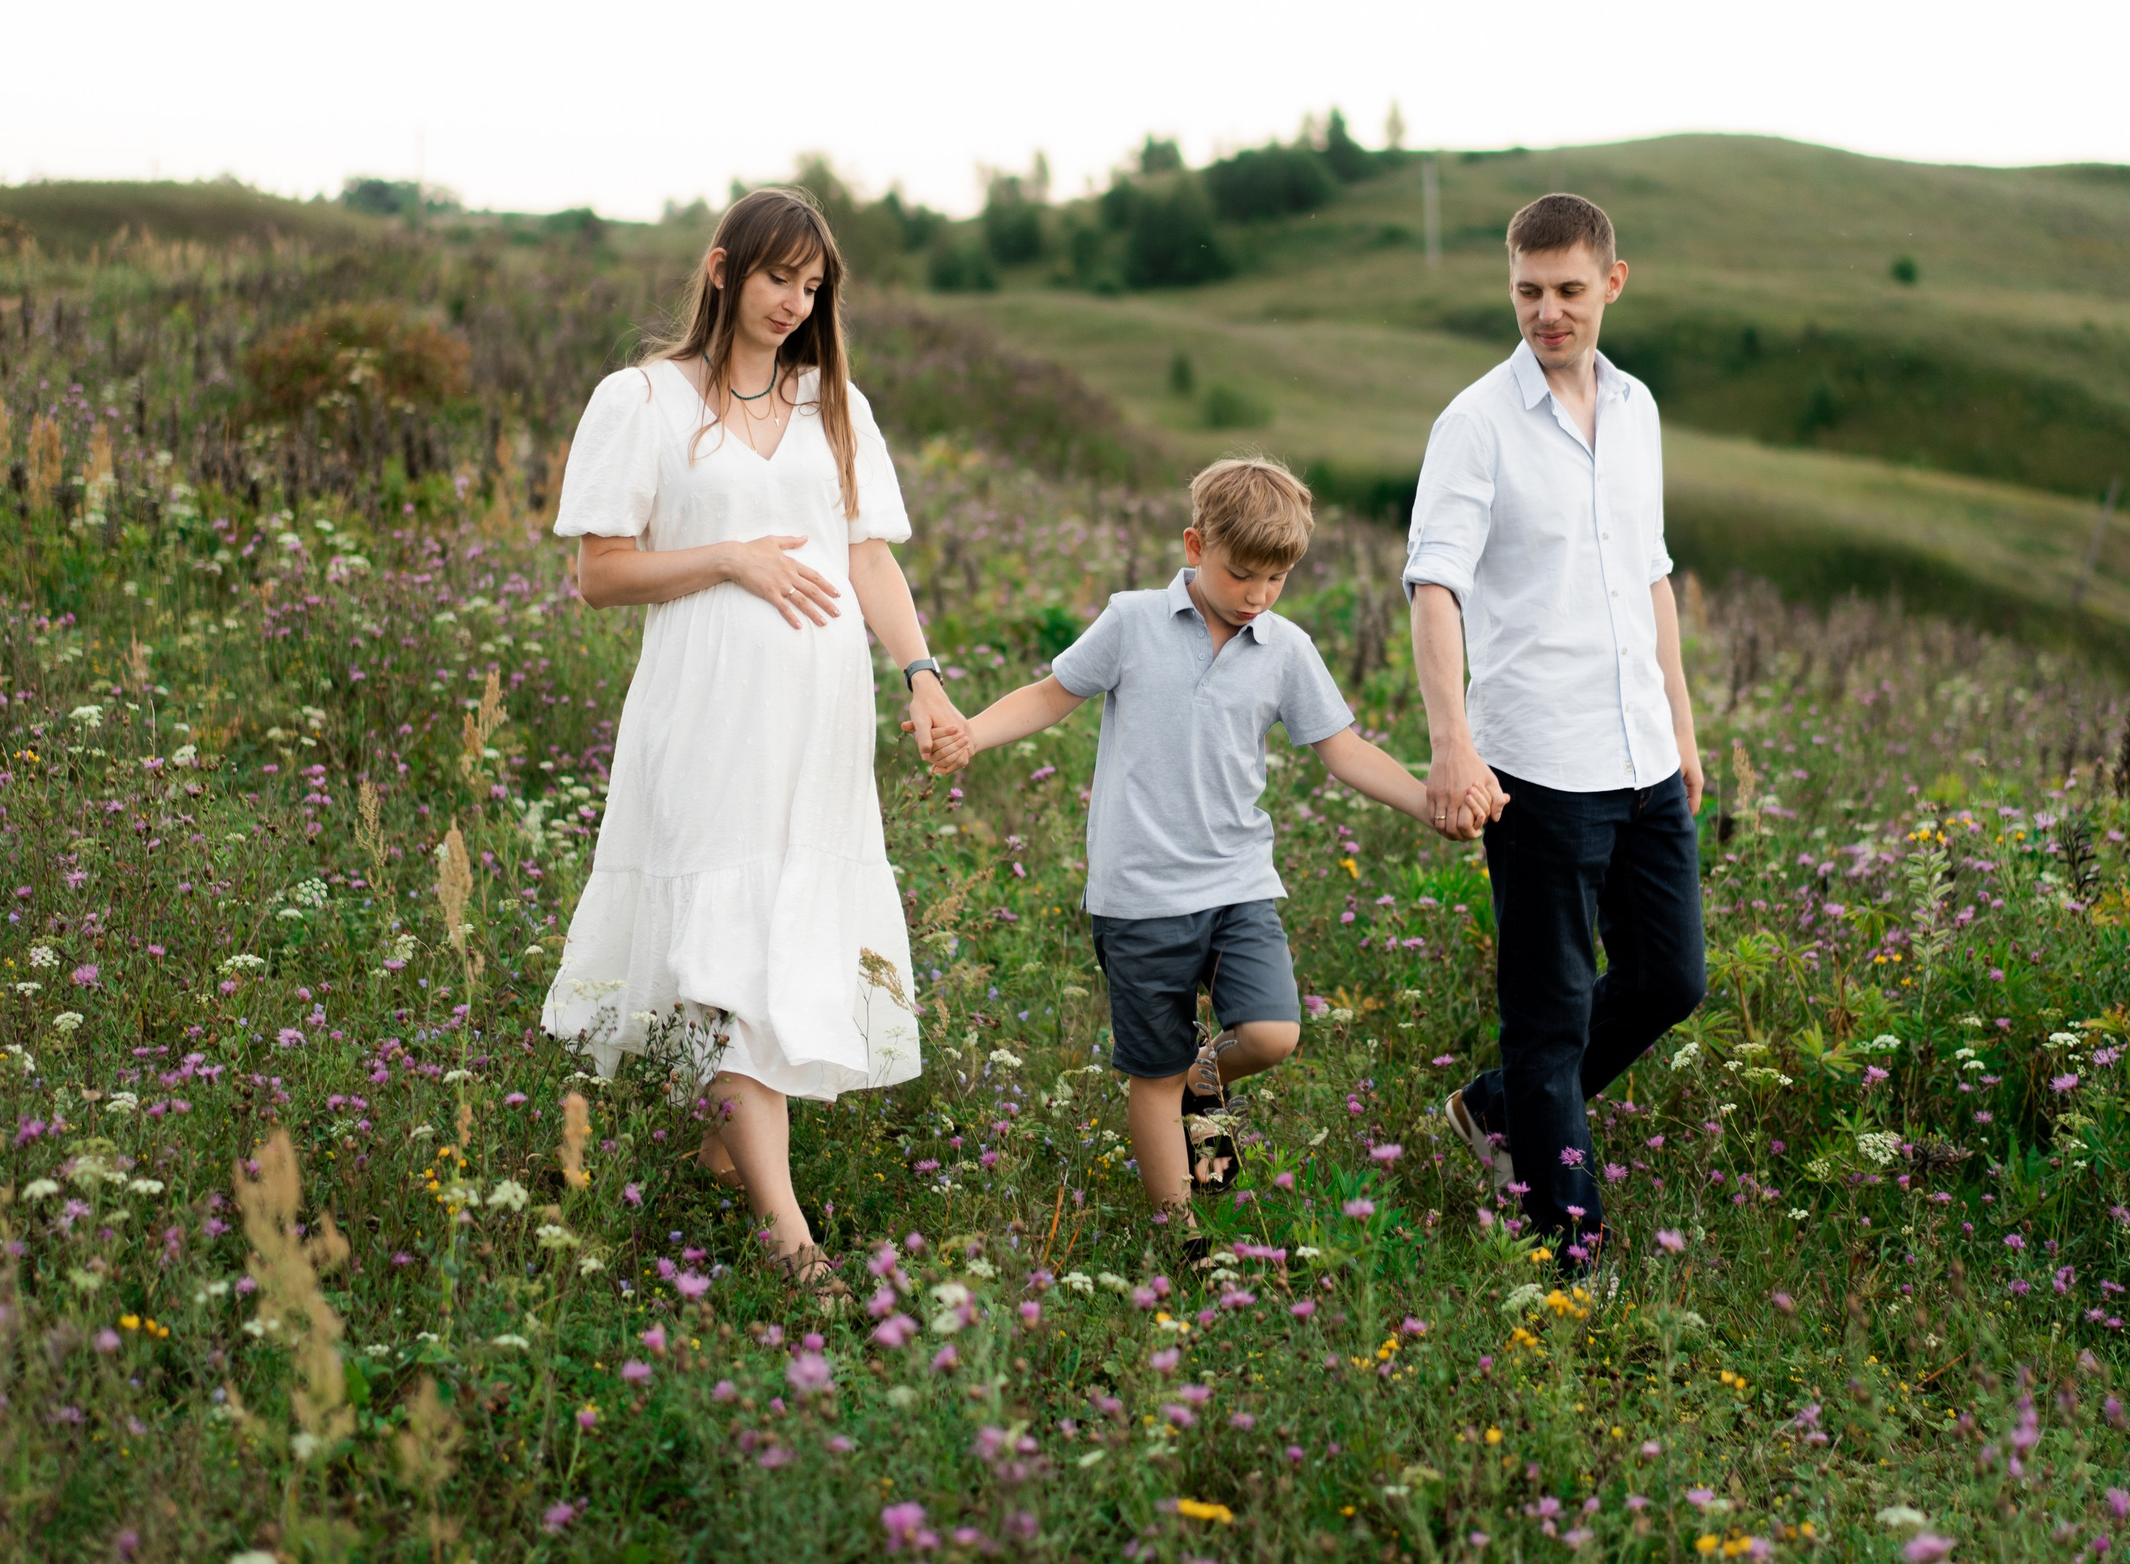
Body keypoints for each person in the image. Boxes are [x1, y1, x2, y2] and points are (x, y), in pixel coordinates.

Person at [542, 187, 959, 1304]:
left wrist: (921, 675)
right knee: (726, 949)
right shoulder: (642, 399)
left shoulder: (836, 405)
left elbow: (869, 556)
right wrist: (728, 557)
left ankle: (711, 1160)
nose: (795, 302)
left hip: (818, 721)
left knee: (781, 934)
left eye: (813, 286)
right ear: (724, 268)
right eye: (779, 277)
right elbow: (599, 572)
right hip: (707, 708)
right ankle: (792, 1240)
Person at [929, 458, 1480, 1254]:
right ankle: (1184, 1238)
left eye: (1277, 578)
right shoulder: (1131, 621)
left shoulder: (1285, 648)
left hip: (1237, 882)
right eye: (1242, 573)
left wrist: (1430, 800)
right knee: (1150, 1075)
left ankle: (1206, 1077)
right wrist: (972, 732)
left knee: (1272, 1032)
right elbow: (1053, 694)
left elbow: (1344, 750)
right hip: (1139, 893)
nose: (1258, 593)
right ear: (1195, 543)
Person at [1402, 193, 1708, 1271]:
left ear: (1611, 284)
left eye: (1569, 291)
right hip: (1533, 762)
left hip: (1642, 754)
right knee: (1552, 1017)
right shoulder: (1475, 424)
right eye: (1528, 292)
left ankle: (1496, 1113)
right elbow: (1432, 588)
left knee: (1672, 979)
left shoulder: (1638, 410)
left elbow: (1652, 576)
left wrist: (1681, 722)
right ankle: (1568, 1254)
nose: (1547, 313)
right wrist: (1452, 744)